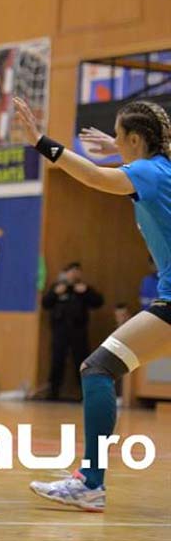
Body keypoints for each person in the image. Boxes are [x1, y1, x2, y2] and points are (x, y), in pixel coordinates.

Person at [15, 97, 171, 512]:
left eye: (120, 136)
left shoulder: (147, 173)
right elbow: (130, 165)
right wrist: (119, 149)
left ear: (135, 140)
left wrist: (42, 142)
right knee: (101, 368)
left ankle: (91, 482)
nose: (114, 141)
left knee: (98, 368)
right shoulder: (160, 169)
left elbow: (95, 177)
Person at [41, 262, 104, 400]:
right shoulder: (58, 287)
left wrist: (86, 292)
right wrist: (55, 293)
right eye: (72, 271)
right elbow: (45, 303)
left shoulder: (83, 288)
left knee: (81, 362)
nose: (74, 274)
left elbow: (98, 302)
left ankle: (85, 393)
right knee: (57, 361)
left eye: (77, 271)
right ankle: (53, 392)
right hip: (60, 331)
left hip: (78, 331)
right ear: (66, 273)